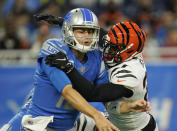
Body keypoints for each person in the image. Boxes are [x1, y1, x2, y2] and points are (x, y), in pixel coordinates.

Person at [1, 8, 149, 131]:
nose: (87, 36)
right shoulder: (53, 48)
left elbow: (104, 101)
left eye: (90, 32)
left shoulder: (97, 58)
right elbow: (67, 91)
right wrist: (97, 115)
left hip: (69, 126)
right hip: (37, 124)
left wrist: (126, 107)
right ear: (68, 31)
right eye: (81, 31)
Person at [45, 21, 159, 131]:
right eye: (109, 45)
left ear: (128, 51)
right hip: (116, 119)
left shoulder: (131, 74)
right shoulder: (129, 51)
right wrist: (68, 23)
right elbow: (102, 36)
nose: (108, 49)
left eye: (113, 48)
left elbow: (93, 94)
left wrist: (68, 68)